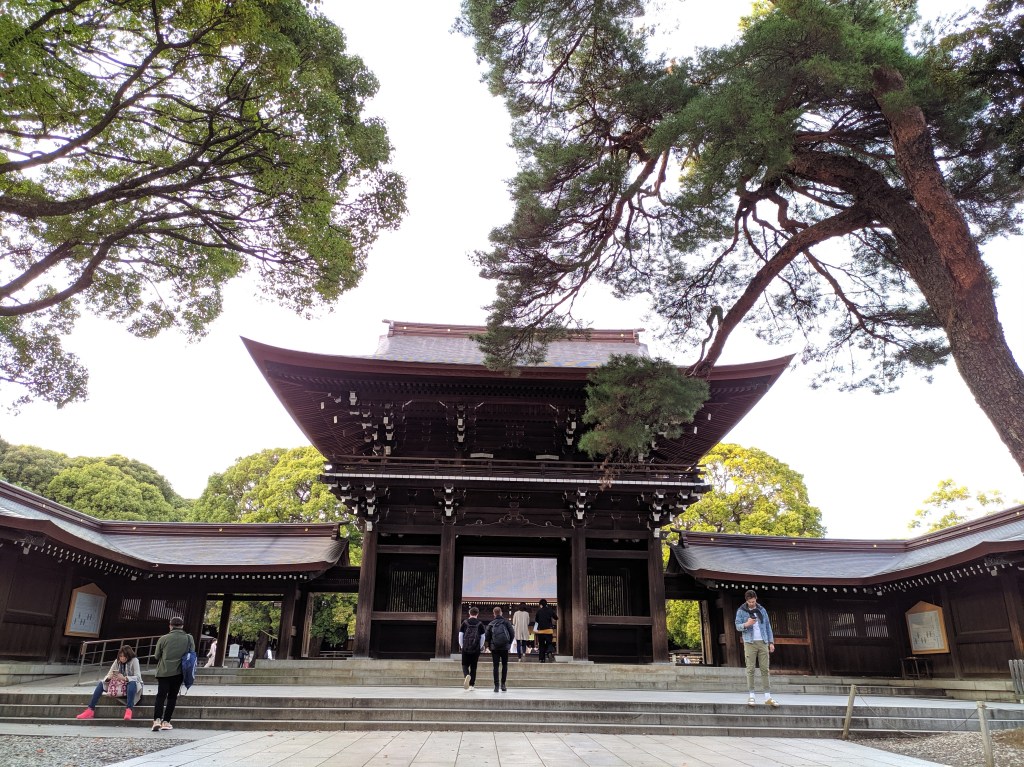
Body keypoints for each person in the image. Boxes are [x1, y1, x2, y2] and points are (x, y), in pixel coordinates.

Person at [75, 644, 143, 721]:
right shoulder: (117, 661)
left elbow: (138, 677)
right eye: (120, 656)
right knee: (101, 683)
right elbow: (108, 674)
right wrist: (109, 678)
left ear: (129, 655)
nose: (122, 658)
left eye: (124, 656)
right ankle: (90, 710)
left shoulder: (134, 660)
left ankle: (129, 710)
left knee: (132, 683)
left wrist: (125, 678)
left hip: (131, 686)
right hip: (118, 686)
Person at [151, 615, 196, 731]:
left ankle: (156, 720)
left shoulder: (163, 638)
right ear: (182, 626)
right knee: (172, 697)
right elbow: (192, 653)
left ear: (170, 626)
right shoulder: (188, 638)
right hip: (179, 672)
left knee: (160, 696)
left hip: (163, 671)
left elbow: (156, 656)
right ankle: (166, 721)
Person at [735, 589, 778, 707]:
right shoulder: (741, 611)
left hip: (763, 641)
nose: (752, 604)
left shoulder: (762, 610)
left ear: (756, 599)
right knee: (750, 668)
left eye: (753, 601)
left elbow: (768, 626)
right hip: (749, 642)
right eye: (750, 602)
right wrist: (746, 624)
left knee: (765, 668)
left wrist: (771, 642)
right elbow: (737, 626)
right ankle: (752, 695)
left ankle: (767, 696)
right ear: (746, 601)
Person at [485, 606, 514, 692]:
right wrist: (509, 644)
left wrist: (489, 647)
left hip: (495, 648)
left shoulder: (491, 624)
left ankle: (496, 686)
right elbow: (512, 634)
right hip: (505, 647)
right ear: (501, 612)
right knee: (504, 665)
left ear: (494, 614)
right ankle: (503, 684)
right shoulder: (506, 622)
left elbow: (487, 637)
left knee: (496, 666)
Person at [458, 606, 485, 691]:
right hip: (475, 649)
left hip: (465, 647)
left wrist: (462, 645)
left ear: (469, 613)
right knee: (473, 667)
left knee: (464, 665)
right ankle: (472, 685)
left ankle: (466, 675)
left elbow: (460, 635)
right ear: (477, 614)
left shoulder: (465, 623)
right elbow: (483, 637)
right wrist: (479, 646)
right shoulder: (480, 624)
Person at [533, 598, 557, 663]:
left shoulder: (539, 611)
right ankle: (549, 652)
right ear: (546, 604)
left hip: (541, 631)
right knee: (549, 643)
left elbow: (536, 620)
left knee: (541, 645)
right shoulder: (550, 610)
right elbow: (556, 617)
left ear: (540, 605)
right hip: (548, 630)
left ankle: (542, 659)